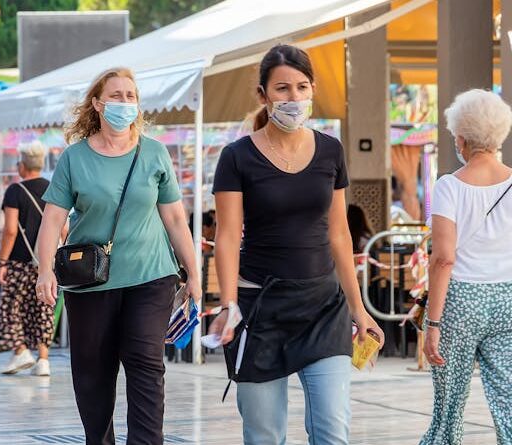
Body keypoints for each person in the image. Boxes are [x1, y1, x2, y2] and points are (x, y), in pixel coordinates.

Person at [209, 45, 384, 445]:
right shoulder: (237, 157)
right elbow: (227, 236)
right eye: (282, 88)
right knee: (264, 435)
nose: (293, 98)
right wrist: (228, 305)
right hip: (259, 311)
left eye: (301, 87)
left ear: (312, 90)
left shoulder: (330, 151)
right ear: (263, 95)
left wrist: (360, 310)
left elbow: (339, 234)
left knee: (332, 430)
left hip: (323, 309)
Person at [35, 68, 202, 444]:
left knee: (145, 364)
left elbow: (175, 217)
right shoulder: (74, 158)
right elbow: (52, 221)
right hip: (91, 281)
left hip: (151, 276)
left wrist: (193, 271)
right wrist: (45, 270)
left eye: (131, 95)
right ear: (97, 103)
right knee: (93, 374)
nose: (125, 102)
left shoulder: (155, 152)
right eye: (116, 95)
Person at [420, 89, 512, 444]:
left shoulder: (449, 186)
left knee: (449, 406)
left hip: (461, 301)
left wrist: (433, 323)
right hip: (507, 298)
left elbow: (443, 258)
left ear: (461, 138)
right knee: (508, 402)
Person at [0, 142, 53, 375]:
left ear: (23, 166)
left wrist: (3, 262)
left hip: (18, 261)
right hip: (45, 262)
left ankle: (20, 351)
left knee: (11, 307)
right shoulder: (52, 188)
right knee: (43, 307)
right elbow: (63, 228)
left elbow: (9, 230)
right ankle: (43, 360)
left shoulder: (15, 191)